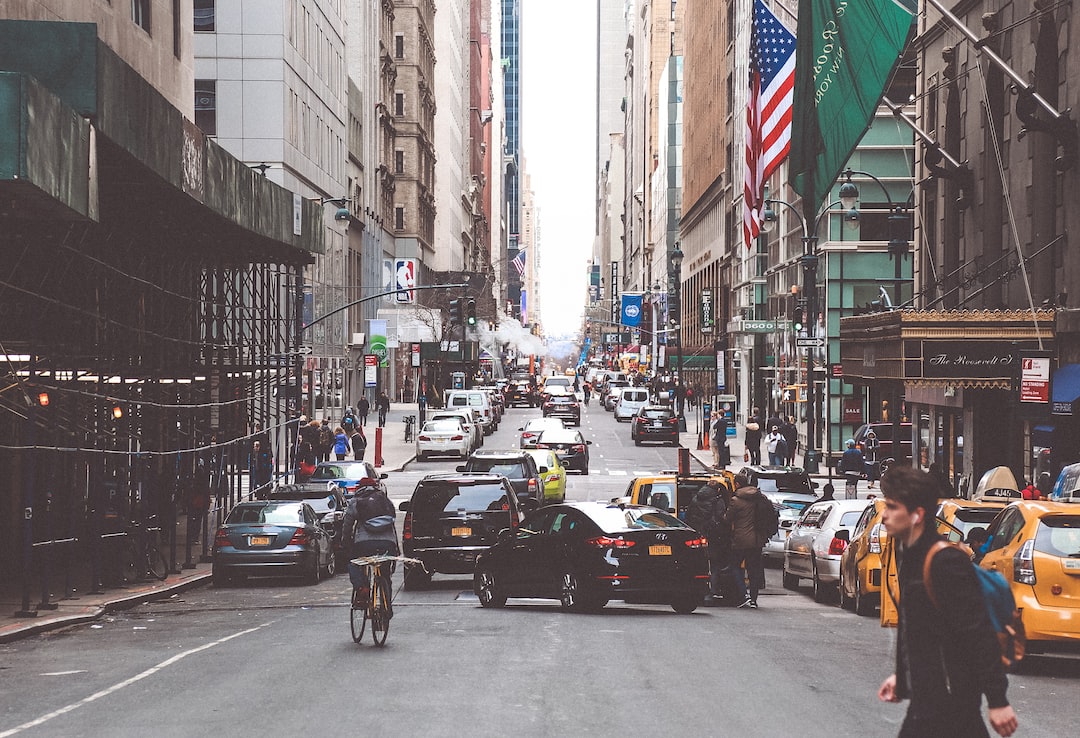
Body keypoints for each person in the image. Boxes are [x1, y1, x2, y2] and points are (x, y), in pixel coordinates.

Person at [877, 466, 1018, 738]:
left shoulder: (945, 562)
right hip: (929, 700)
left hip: (951, 702)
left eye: (892, 507)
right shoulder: (911, 555)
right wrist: (904, 678)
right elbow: (918, 631)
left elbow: (978, 632)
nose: (884, 516)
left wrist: (998, 701)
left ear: (917, 515)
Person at [342, 483, 399, 617]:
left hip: (364, 544)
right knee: (385, 575)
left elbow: (347, 524)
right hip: (387, 543)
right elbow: (392, 524)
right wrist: (396, 548)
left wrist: (345, 541)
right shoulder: (385, 500)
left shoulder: (356, 501)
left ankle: (362, 588)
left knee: (353, 562)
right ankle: (387, 606)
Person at [726, 473, 776, 608]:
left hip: (741, 540)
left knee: (735, 565)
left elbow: (727, 518)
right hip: (758, 540)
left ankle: (744, 594)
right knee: (754, 569)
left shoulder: (736, 500)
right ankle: (754, 599)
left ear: (737, 484)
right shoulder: (760, 497)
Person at [685, 480, 732, 603]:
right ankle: (713, 591)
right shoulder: (718, 500)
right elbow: (722, 518)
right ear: (717, 489)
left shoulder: (696, 498)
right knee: (715, 564)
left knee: (698, 564)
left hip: (698, 536)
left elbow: (689, 516)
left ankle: (697, 589)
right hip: (714, 537)